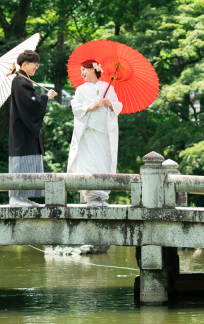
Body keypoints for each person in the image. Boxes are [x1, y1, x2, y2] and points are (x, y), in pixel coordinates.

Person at [67, 60, 122, 206]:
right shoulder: (80, 89)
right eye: (81, 71)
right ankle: (91, 197)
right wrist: (91, 107)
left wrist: (110, 104)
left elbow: (118, 105)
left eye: (84, 70)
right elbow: (76, 108)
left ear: (93, 69)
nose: (82, 73)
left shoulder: (107, 87)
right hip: (88, 131)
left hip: (103, 131)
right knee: (87, 163)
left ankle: (99, 196)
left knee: (102, 161)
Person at [8, 49, 57, 207]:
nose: (36, 67)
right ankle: (15, 197)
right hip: (22, 130)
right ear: (24, 64)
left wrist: (42, 97)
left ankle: (23, 197)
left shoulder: (24, 80)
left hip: (27, 130)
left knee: (28, 161)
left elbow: (32, 100)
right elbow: (31, 103)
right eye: (34, 64)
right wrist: (46, 97)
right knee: (21, 161)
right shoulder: (19, 81)